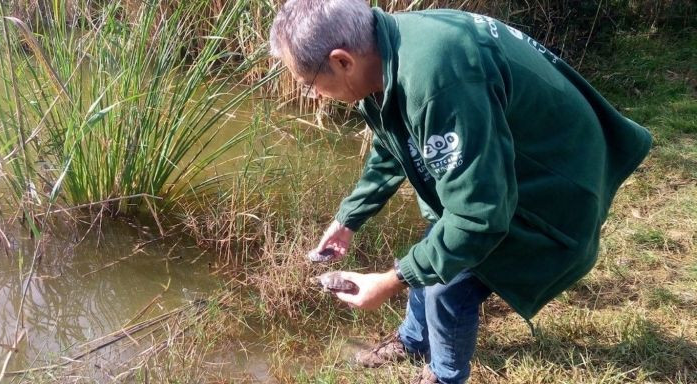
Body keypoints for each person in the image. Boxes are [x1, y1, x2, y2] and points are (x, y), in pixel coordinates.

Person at [269, 1, 652, 383]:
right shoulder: (382, 48)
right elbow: (393, 146)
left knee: (446, 285)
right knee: (434, 243)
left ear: (342, 61)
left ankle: (444, 375)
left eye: (308, 82)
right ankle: (414, 340)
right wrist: (348, 219)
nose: (314, 95)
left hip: (557, 175)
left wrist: (389, 281)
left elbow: (478, 217)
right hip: (509, 155)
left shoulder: (438, 77)